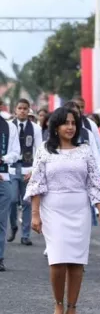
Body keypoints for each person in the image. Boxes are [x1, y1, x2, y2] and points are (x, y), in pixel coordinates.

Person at [24, 107, 100, 314]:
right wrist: (35, 215)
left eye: (73, 123)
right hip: (52, 209)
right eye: (65, 123)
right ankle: (58, 303)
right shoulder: (45, 150)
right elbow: (36, 183)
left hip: (79, 209)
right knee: (57, 260)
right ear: (55, 127)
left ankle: (72, 307)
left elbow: (94, 183)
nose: (70, 127)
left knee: (76, 261)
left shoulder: (85, 151)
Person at [9, 99, 43, 246]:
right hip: (12, 167)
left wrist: (34, 170)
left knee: (27, 202)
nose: (22, 111)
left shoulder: (35, 128)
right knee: (11, 199)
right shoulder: (9, 126)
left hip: (28, 167)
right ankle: (14, 225)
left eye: (25, 108)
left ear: (28, 110)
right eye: (20, 108)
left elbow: (39, 150)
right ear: (15, 110)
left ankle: (25, 235)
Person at [0, 114, 21, 272]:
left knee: (1, 221)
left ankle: (0, 257)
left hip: (3, 177)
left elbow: (16, 153)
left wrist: (3, 159)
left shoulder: (9, 127)